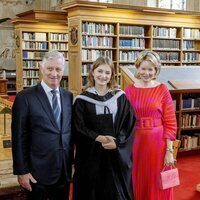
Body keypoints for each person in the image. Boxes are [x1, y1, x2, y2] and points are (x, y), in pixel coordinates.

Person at [11, 50, 74, 200]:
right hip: (36, 174)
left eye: (58, 69)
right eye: (49, 69)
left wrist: (73, 163)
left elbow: (69, 133)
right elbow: (18, 137)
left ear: (63, 70)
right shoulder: (25, 98)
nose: (54, 73)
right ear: (41, 68)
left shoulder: (68, 96)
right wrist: (22, 171)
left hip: (64, 172)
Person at [72, 56, 136, 200]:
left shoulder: (120, 97)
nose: (103, 76)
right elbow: (78, 127)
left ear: (112, 76)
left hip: (115, 155)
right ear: (92, 73)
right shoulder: (82, 100)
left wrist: (118, 143)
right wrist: (98, 137)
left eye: (107, 73)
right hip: (91, 156)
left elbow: (129, 124)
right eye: (99, 71)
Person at [125, 50, 177, 200]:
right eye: (143, 68)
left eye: (150, 69)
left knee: (157, 179)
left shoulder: (162, 89)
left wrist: (169, 151)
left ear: (156, 71)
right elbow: (125, 119)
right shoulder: (129, 89)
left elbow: (170, 122)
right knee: (137, 178)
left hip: (158, 143)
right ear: (138, 68)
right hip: (136, 142)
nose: (146, 73)